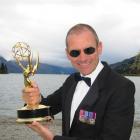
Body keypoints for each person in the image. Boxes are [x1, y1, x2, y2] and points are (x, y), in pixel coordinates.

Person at [22, 23, 135, 140]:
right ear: (67, 54)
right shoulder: (71, 81)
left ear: (99, 48)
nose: (83, 58)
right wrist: (33, 99)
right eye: (75, 52)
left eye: (89, 50)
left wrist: (52, 138)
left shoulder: (122, 87)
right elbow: (47, 109)